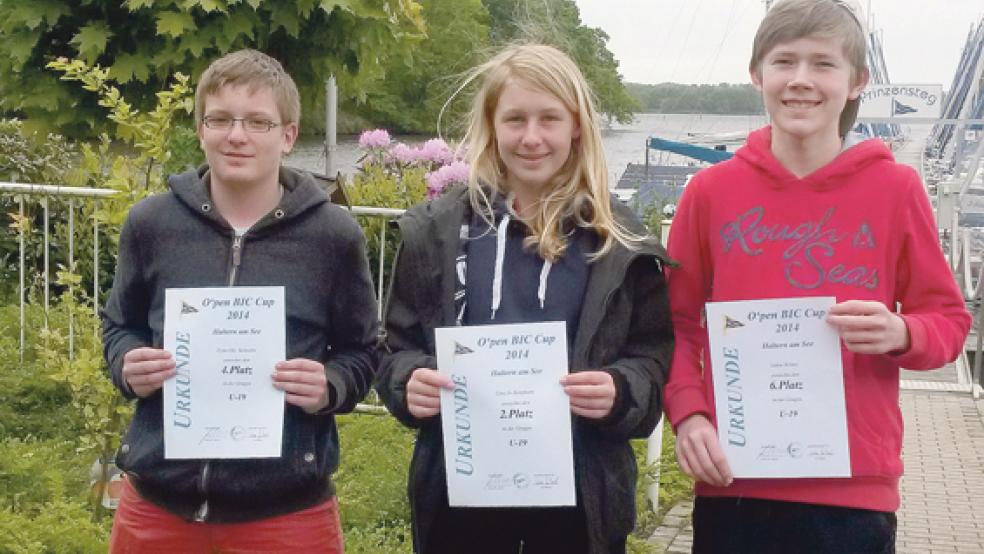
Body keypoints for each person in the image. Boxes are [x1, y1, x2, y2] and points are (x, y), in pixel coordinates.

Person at [664, 1, 972, 552]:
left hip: (854, 492)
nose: (800, 80)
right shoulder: (709, 193)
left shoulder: (897, 190)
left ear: (858, 81)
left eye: (823, 64)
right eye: (784, 62)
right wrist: (689, 415)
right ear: (757, 74)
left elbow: (948, 321)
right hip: (736, 478)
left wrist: (903, 333)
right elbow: (679, 324)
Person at [375, 43, 673, 554]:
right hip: (460, 503)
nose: (531, 137)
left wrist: (620, 390)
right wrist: (408, 381)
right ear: (491, 124)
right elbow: (392, 348)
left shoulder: (622, 243)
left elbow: (652, 359)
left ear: (576, 125)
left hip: (583, 509)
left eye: (548, 119)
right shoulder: (436, 234)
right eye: (514, 119)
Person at [102, 49, 378, 553]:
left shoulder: (333, 235)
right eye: (221, 119)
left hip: (286, 512)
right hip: (159, 506)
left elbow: (363, 351)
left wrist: (330, 385)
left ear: (288, 136)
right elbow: (120, 325)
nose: (237, 135)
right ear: (201, 129)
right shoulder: (151, 224)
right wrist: (126, 363)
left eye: (257, 122)